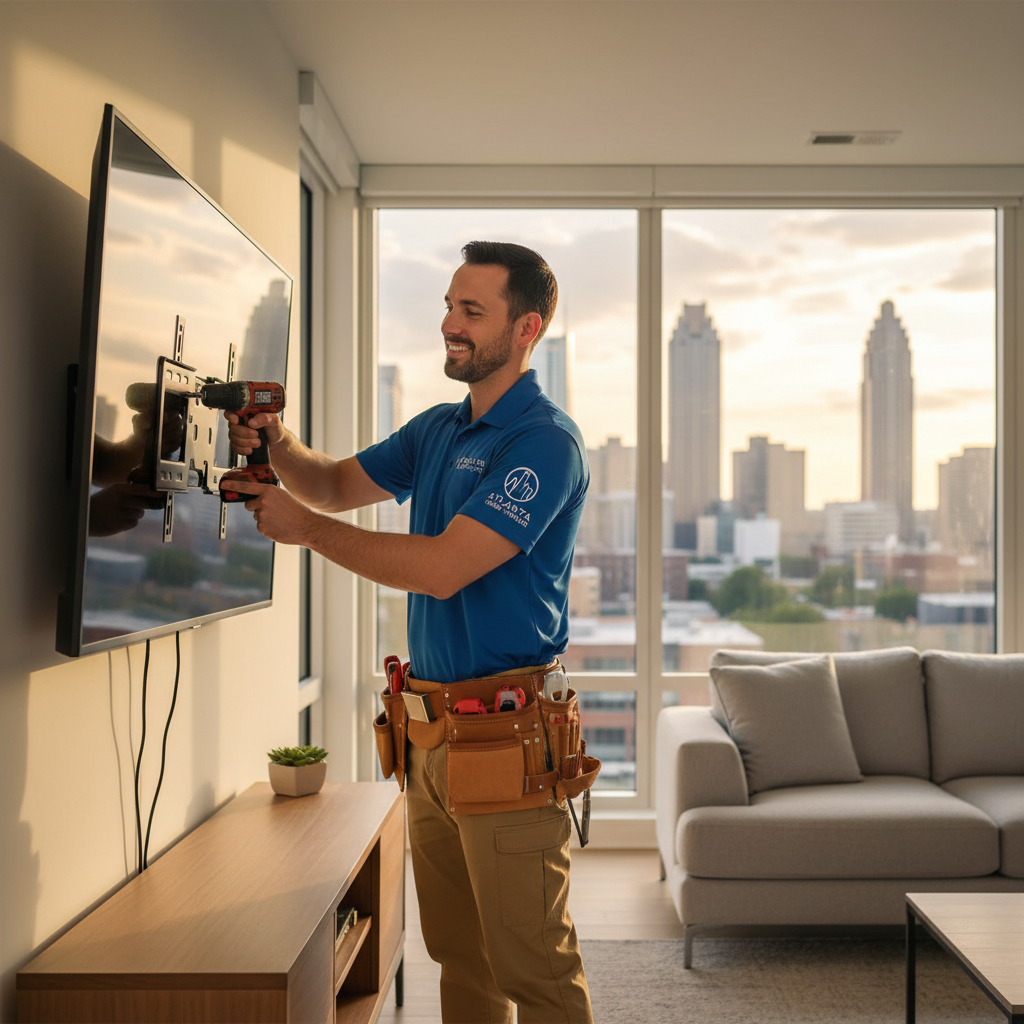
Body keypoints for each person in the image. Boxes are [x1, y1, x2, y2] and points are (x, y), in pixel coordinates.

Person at [224, 240, 594, 1024]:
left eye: (471, 311)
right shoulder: (437, 430)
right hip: (428, 736)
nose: (449, 325)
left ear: (526, 329)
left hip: (508, 737)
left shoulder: (542, 443)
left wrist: (309, 533)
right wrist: (278, 441)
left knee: (534, 967)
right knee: (460, 958)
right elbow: (329, 484)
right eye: (449, 306)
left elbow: (444, 568)